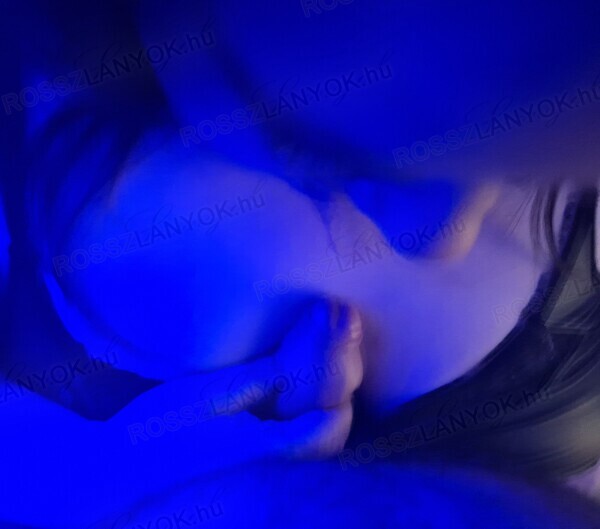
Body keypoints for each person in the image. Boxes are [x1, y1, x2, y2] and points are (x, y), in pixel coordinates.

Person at [1, 0, 600, 527]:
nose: (440, 241)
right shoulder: (145, 232)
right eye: (314, 152)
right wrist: (79, 485)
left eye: (526, 158)